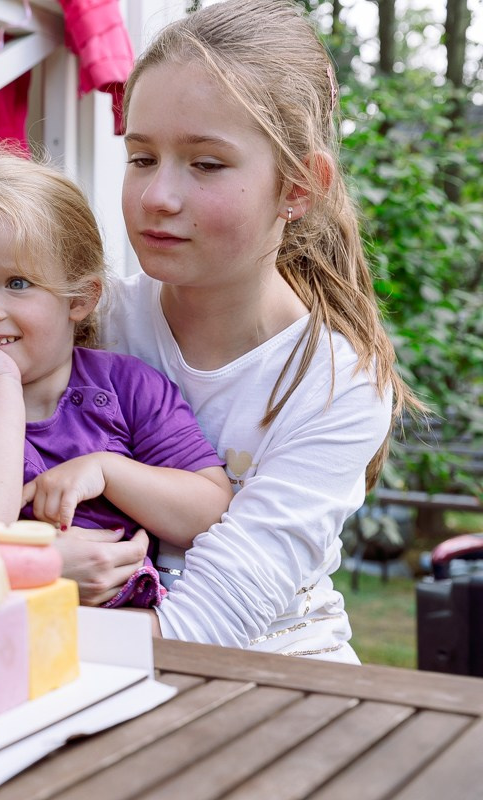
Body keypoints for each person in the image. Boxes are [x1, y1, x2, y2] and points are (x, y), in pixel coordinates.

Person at [81, 0, 422, 660]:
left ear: (298, 187)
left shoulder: (336, 386)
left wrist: (23, 606)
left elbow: (209, 624)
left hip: (283, 680)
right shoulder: (93, 324)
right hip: (106, 667)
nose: (157, 197)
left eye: (205, 164)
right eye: (142, 157)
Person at [0, 142, 233, 607]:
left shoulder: (129, 388)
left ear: (78, 298)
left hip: (140, 642)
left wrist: (106, 469)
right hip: (13, 641)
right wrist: (0, 389)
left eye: (17, 283)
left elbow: (210, 512)